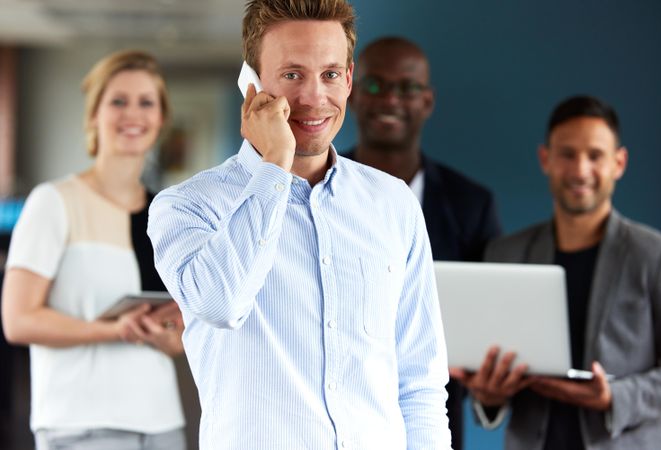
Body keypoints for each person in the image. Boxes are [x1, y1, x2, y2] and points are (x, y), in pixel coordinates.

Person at [147, 1, 452, 449]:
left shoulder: (394, 204)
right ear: (251, 85)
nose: (313, 97)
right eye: (292, 75)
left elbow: (420, 381)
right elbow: (221, 304)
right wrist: (274, 164)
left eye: (330, 74)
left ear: (348, 79)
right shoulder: (187, 206)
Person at [452, 95, 661, 449]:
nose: (580, 169)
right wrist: (488, 396)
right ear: (546, 159)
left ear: (619, 163)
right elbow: (490, 378)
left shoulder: (657, 256)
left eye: (595, 155)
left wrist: (616, 397)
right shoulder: (506, 253)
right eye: (567, 154)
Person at [1, 50, 187, 449]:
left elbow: (178, 334)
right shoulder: (53, 202)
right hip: (80, 423)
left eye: (146, 102)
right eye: (118, 101)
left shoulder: (166, 212)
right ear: (93, 115)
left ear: (160, 119)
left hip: (160, 422)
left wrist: (172, 336)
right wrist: (111, 330)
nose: (132, 113)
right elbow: (17, 320)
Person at [344, 36, 501, 450]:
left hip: (431, 419)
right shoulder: (311, 189)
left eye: (408, 87)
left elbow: (489, 319)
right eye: (375, 85)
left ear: (427, 101)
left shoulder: (472, 205)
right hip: (335, 416)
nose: (391, 99)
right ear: (354, 95)